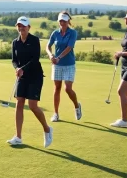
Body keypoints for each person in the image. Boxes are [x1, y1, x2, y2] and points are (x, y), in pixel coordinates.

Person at [7, 16, 53, 148]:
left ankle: (47, 129)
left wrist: (22, 69)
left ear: (29, 27)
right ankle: (18, 136)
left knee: (32, 105)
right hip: (22, 76)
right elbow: (13, 60)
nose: (21, 28)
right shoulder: (15, 42)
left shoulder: (34, 40)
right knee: (19, 102)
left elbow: (35, 59)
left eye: (23, 26)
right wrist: (17, 68)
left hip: (35, 76)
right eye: (19, 26)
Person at [46, 11, 82, 122]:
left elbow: (69, 48)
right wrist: (51, 55)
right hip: (57, 64)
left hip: (69, 64)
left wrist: (58, 58)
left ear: (68, 21)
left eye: (64, 21)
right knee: (57, 88)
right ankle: (56, 114)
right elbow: (48, 46)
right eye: (61, 21)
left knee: (68, 89)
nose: (62, 23)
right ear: (58, 21)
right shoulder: (55, 33)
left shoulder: (72, 33)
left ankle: (77, 106)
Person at [111, 10, 127, 127]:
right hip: (125, 65)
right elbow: (126, 48)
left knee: (121, 91)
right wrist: (120, 54)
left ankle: (124, 120)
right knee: (126, 93)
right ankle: (124, 120)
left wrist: (121, 54)